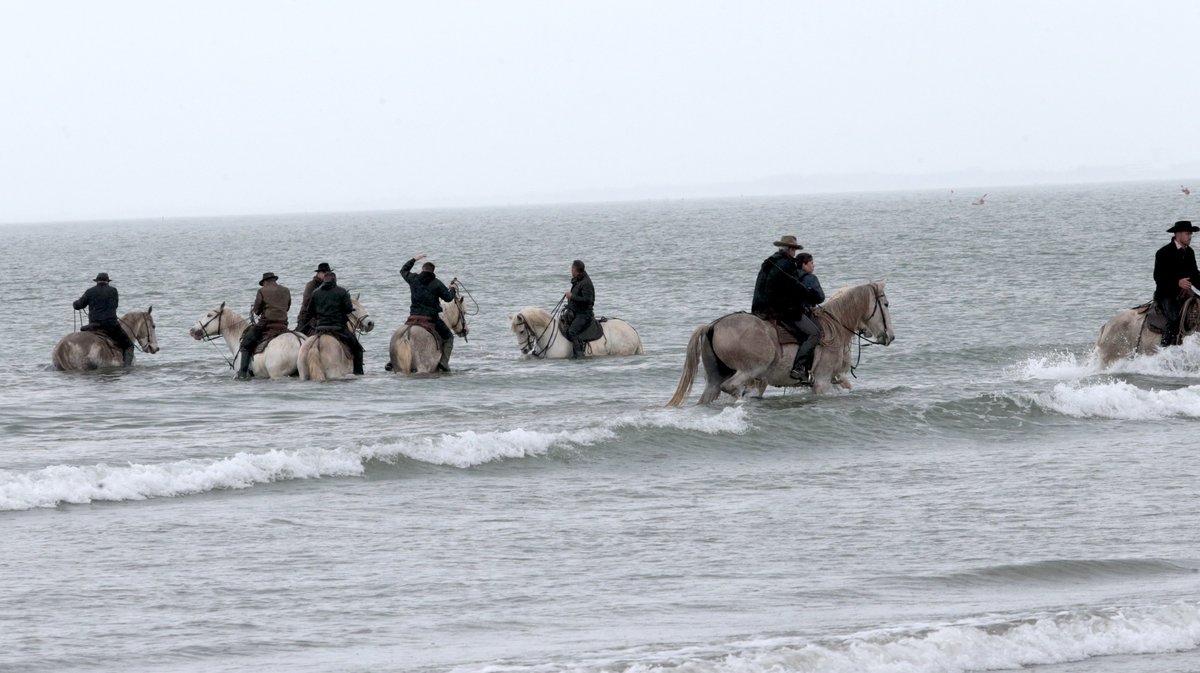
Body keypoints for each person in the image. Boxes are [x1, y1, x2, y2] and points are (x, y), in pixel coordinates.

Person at [751, 235, 823, 381]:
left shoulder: (770, 262)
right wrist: (811, 296)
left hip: (759, 308)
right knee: (814, 333)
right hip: (779, 311)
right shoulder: (786, 264)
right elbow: (795, 289)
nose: (795, 254)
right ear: (790, 249)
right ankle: (798, 369)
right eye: (794, 250)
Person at [400, 255, 459, 371]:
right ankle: (443, 363)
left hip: (413, 317)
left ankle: (393, 361)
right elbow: (448, 298)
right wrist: (452, 289)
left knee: (402, 336)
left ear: (422, 269)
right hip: (431, 318)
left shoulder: (413, 278)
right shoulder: (437, 283)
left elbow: (403, 270)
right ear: (433, 271)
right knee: (449, 337)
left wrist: (414, 259)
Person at [235, 272, 292, 379]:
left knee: (246, 343)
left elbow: (256, 311)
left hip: (266, 324)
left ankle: (242, 373)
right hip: (283, 325)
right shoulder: (286, 290)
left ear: (265, 282)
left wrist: (257, 309)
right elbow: (287, 307)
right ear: (274, 280)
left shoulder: (262, 291)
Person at [73, 272, 136, 366]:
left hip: (93, 326)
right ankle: (126, 368)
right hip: (111, 326)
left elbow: (78, 306)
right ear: (107, 282)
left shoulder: (90, 291)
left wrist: (75, 303)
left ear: (97, 281)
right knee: (129, 345)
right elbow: (115, 305)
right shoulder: (114, 291)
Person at [1154, 220, 1200, 347]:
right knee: (1174, 320)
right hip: (1167, 294)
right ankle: (1164, 350)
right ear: (1178, 234)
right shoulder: (1163, 252)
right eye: (1187, 233)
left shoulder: (1189, 252)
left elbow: (1195, 275)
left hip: (1185, 293)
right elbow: (1158, 277)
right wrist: (1177, 282)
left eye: (1191, 234)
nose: (1190, 236)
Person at [310, 271, 365, 375]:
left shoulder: (316, 292)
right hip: (338, 328)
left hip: (320, 328)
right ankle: (358, 374)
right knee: (358, 350)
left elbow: (310, 311)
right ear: (335, 280)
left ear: (324, 280)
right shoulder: (341, 291)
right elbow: (348, 309)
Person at [564, 259, 597, 359]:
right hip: (576, 312)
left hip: (584, 315)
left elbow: (588, 300)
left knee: (572, 331)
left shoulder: (586, 283)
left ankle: (579, 355)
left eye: (572, 268)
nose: (571, 270)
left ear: (575, 269)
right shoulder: (579, 280)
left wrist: (571, 297)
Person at [296, 262, 332, 335]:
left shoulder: (329, 285)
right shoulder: (311, 285)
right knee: (300, 335)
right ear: (318, 273)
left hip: (324, 316)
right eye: (324, 272)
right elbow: (307, 301)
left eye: (328, 273)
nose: (326, 275)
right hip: (307, 317)